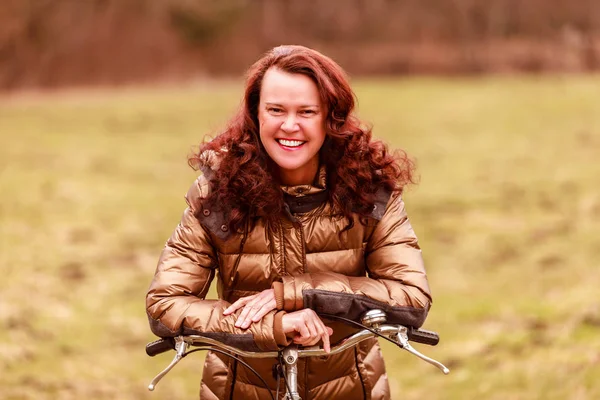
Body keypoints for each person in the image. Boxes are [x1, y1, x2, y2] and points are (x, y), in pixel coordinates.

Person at [146, 45, 432, 400]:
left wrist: (300, 292)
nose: (290, 125)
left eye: (307, 112)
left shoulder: (369, 191)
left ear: (331, 117)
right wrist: (276, 325)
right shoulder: (216, 193)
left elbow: (411, 297)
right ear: (256, 115)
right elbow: (165, 303)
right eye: (276, 110)